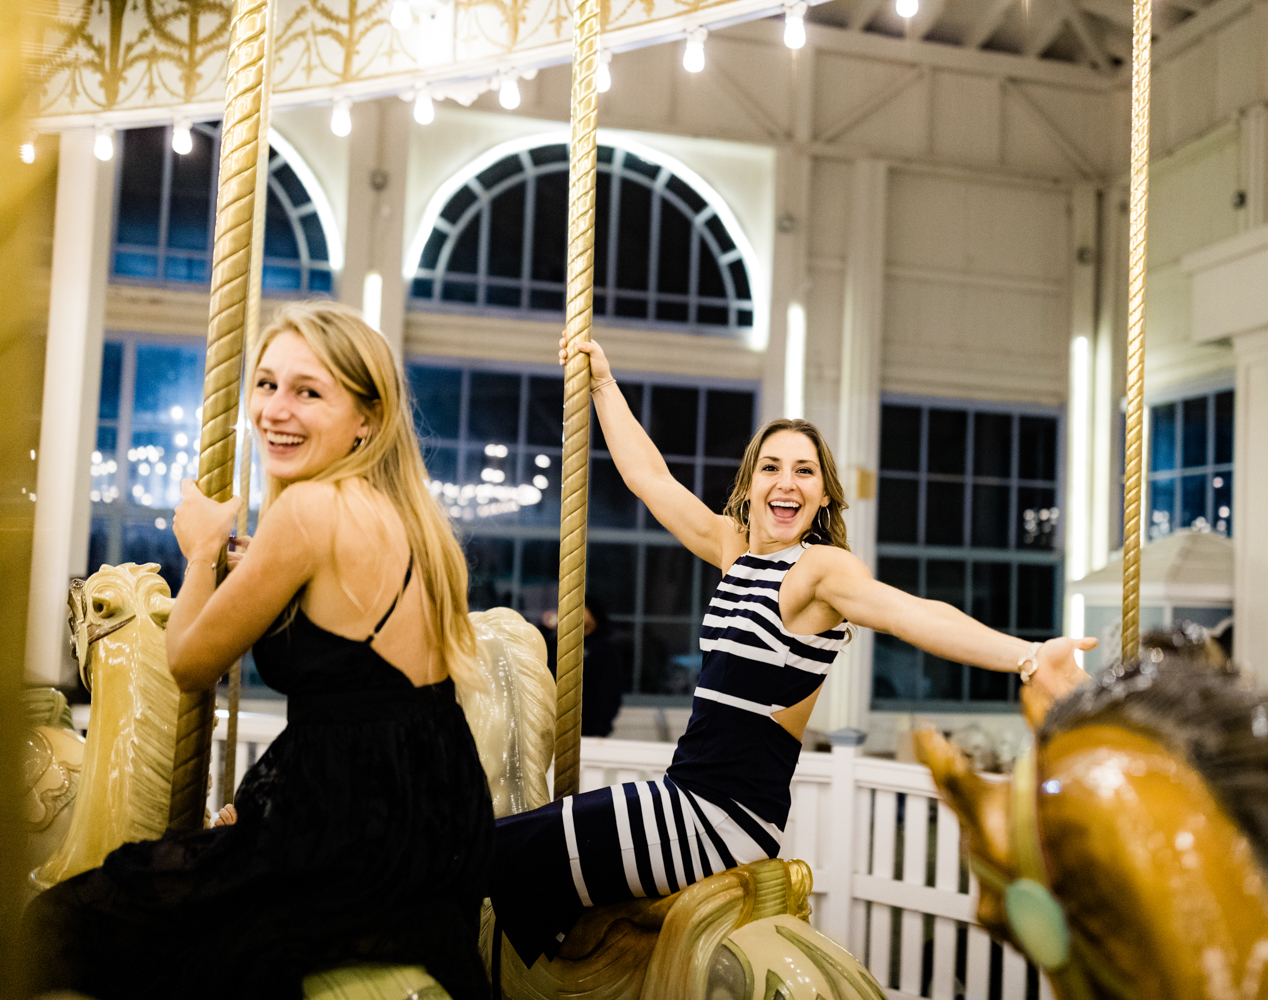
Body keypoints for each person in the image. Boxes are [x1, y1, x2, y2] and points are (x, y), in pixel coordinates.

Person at [489, 336, 1095, 965]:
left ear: (824, 495)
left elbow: (912, 614)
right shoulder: (736, 550)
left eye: (804, 470)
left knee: (487, 852)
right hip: (683, 795)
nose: (786, 482)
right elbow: (649, 478)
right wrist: (604, 385)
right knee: (510, 858)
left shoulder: (819, 572)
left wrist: (1028, 656)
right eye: (771, 467)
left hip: (720, 817)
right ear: (749, 485)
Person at [24, 302, 494, 1000]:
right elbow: (360, 699)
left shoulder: (308, 510)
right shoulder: (402, 516)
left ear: (367, 417)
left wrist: (203, 549)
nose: (276, 409)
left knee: (60, 920)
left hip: (349, 832)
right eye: (267, 384)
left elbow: (186, 662)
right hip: (434, 816)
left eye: (309, 392)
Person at [540, 597, 625, 737]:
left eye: (581, 609)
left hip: (588, 727)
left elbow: (610, 688)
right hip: (553, 724)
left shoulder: (604, 647)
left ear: (593, 614)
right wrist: (545, 628)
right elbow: (537, 656)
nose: (575, 614)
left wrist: (601, 727)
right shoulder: (561, 642)